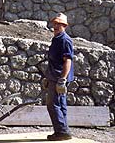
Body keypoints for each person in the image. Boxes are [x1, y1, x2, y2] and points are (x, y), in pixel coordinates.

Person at [43, 12, 74, 141]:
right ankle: (62, 131)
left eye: (58, 24)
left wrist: (62, 79)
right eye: (54, 23)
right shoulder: (56, 39)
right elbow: (53, 60)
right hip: (54, 76)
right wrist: (48, 77)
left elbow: (67, 61)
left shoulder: (65, 40)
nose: (55, 26)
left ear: (64, 26)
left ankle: (61, 131)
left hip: (59, 78)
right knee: (60, 104)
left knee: (53, 104)